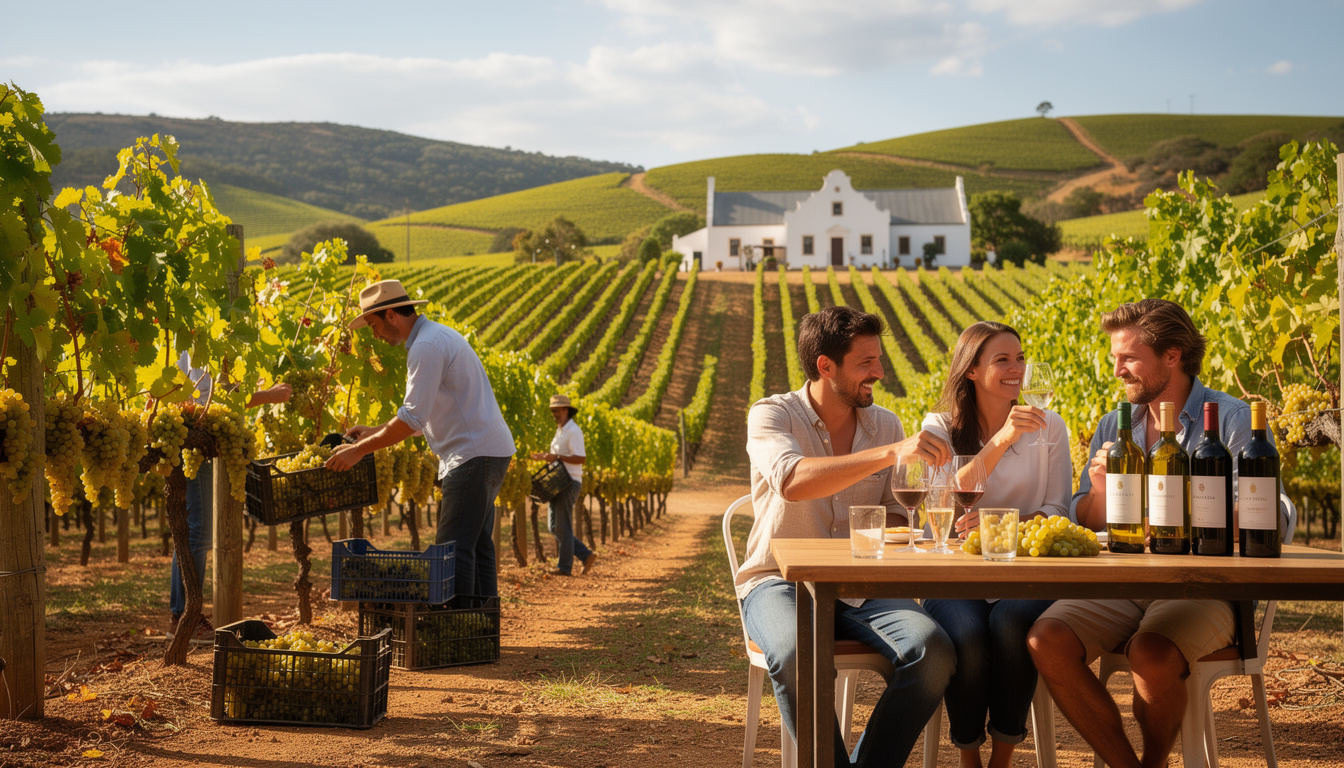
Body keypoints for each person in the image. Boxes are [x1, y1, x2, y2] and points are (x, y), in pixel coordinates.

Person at [1027, 298, 1287, 768]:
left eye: (1128, 358)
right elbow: (1086, 519)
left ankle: (1154, 761)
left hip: (1206, 587)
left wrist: (1178, 523)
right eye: (1114, 359)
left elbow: (1277, 514)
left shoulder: (1229, 419)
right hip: (1124, 584)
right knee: (1046, 639)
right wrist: (1103, 489)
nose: (1117, 371)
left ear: (1173, 355)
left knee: (1151, 651)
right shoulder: (1116, 423)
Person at [739, 305, 956, 767]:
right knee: (797, 652)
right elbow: (792, 481)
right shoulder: (771, 415)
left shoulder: (886, 423)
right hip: (780, 583)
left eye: (878, 359)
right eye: (866, 363)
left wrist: (905, 529)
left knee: (933, 652)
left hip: (863, 588)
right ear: (825, 366)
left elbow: (900, 515)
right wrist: (891, 453)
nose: (879, 372)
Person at [918, 322, 1070, 768]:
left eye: (1020, 358)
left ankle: (1001, 759)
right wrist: (1003, 439)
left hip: (1025, 573)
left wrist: (1000, 526)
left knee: (1009, 623)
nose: (1016, 369)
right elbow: (944, 499)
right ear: (971, 371)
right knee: (965, 634)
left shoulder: (1051, 427)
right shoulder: (940, 427)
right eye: (1002, 360)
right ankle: (969, 758)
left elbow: (1057, 510)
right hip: (956, 575)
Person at [327, 280, 515, 600]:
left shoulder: (426, 345)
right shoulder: (434, 337)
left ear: (390, 315)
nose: (374, 334)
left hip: (470, 456)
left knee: (452, 550)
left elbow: (412, 417)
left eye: (373, 325)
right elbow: (422, 418)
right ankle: (480, 632)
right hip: (489, 452)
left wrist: (358, 450)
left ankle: (457, 635)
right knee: (478, 547)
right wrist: (375, 430)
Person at [167, 352, 291, 641]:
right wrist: (267, 395)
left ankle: (181, 614)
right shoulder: (201, 338)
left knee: (193, 531)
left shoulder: (197, 340)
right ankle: (184, 616)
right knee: (198, 532)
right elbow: (207, 401)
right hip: (196, 439)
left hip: (198, 439)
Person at [530, 393, 596, 576]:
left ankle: (565, 567)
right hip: (558, 483)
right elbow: (557, 456)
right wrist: (544, 457)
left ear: (567, 410)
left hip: (569, 482)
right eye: (553, 411)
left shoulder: (573, 431)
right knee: (554, 526)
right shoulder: (561, 430)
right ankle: (585, 555)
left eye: (557, 410)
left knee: (563, 526)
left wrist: (556, 457)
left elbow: (581, 458)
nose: (555, 414)